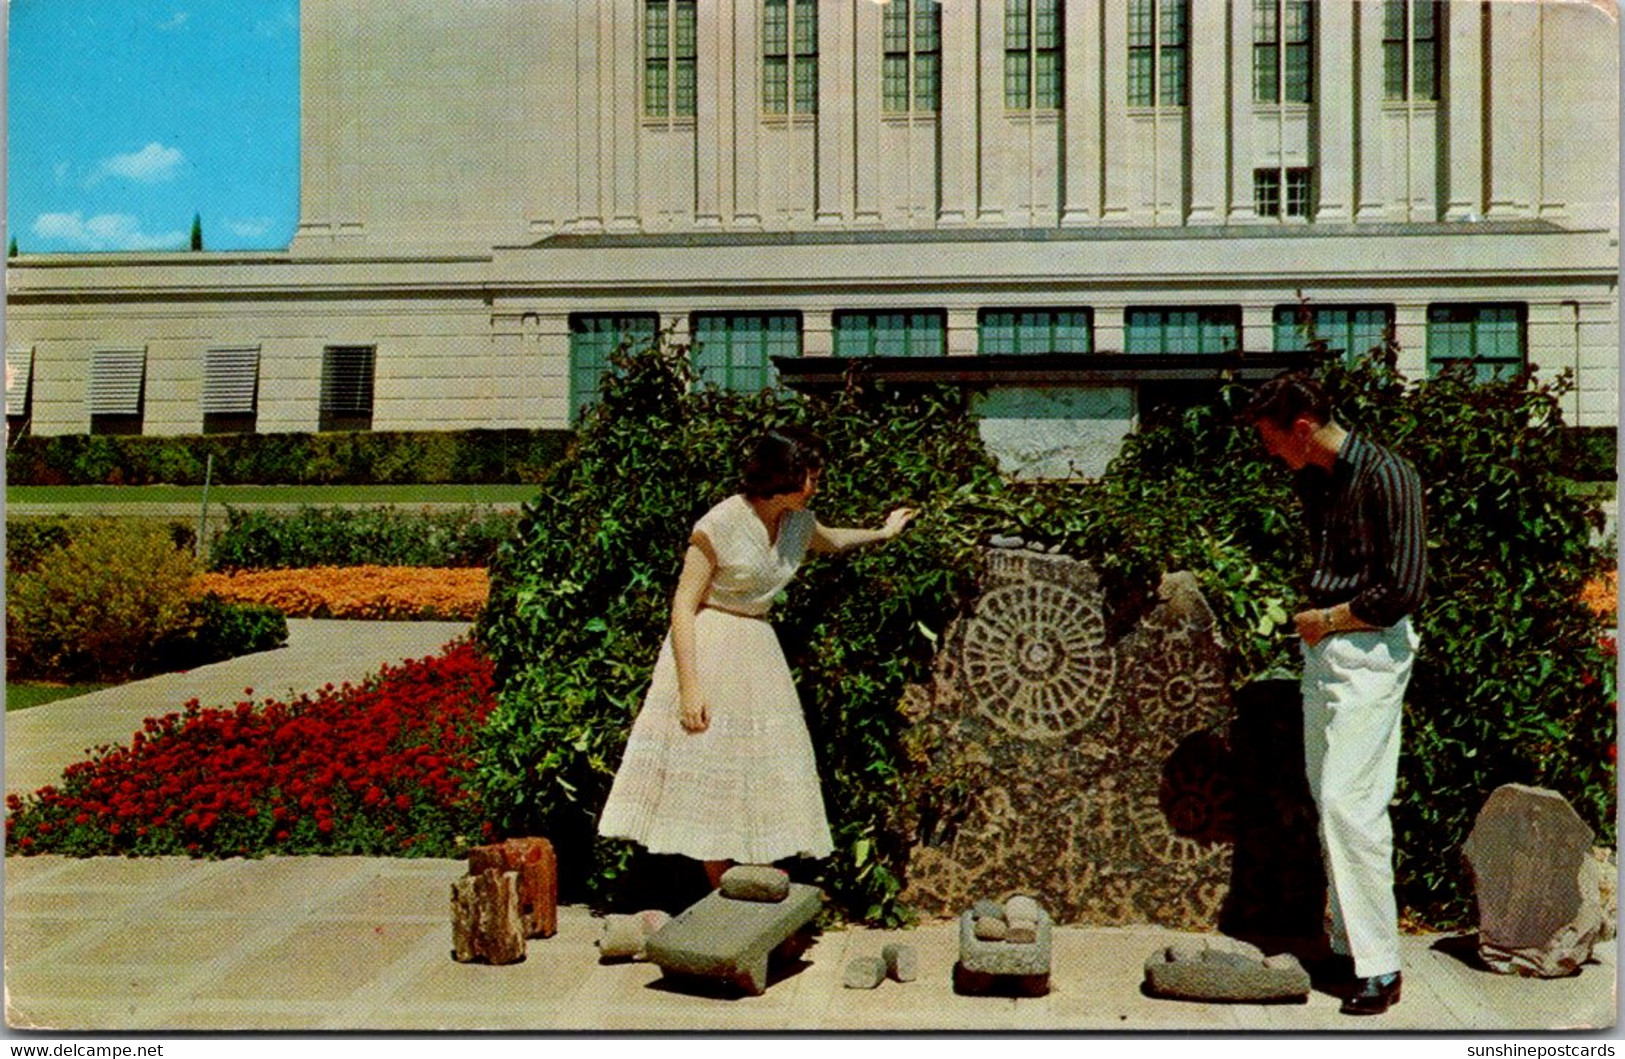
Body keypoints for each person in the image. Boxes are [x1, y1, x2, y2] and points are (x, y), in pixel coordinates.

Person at [597, 426, 917, 890]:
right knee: (709, 762)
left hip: (758, 650)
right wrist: (690, 687)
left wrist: (885, 532)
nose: (817, 485)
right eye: (811, 476)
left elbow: (835, 541)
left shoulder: (798, 523)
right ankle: (723, 889)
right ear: (786, 475)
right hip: (710, 646)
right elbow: (683, 606)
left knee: (763, 762)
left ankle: (752, 886)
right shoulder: (721, 523)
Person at [1241, 371, 1426, 1017]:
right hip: (1324, 650)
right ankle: (1349, 947)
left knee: (1352, 805)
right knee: (1330, 800)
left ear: (1301, 428)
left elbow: (1401, 588)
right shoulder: (1311, 479)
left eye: (1271, 438)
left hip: (1370, 651)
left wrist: (1328, 618)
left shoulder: (1387, 474)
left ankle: (1381, 965)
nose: (1267, 451)